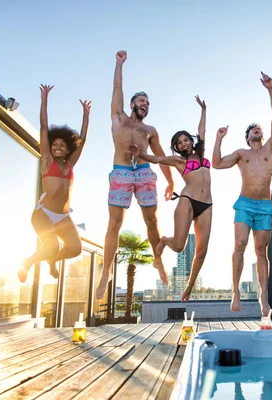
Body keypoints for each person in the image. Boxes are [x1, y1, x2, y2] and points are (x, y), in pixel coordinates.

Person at [96, 50, 174, 300]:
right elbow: (117, 87)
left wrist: (171, 181)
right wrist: (118, 64)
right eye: (142, 101)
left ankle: (158, 261)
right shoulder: (118, 118)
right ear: (132, 104)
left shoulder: (150, 130)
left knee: (152, 222)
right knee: (114, 224)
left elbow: (161, 156)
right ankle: (106, 272)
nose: (146, 105)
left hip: (143, 172)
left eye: (148, 103)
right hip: (121, 172)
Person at [212, 72, 272, 317]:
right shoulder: (241, 153)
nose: (257, 130)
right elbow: (217, 163)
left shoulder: (271, 147)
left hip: (264, 205)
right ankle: (235, 290)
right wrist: (218, 139)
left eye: (259, 128)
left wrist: (271, 90)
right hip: (244, 204)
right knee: (239, 245)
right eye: (252, 128)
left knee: (261, 252)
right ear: (247, 136)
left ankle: (263, 296)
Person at [129, 96, 211, 302]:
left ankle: (189, 288)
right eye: (179, 143)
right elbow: (157, 159)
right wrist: (141, 154)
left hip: (207, 205)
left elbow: (202, 131)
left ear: (191, 141)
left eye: (186, 140)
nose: (184, 144)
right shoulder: (178, 160)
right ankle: (164, 240)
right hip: (187, 200)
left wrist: (203, 110)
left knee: (201, 252)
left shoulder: (201, 154)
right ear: (177, 147)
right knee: (180, 246)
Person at [18, 84, 91, 283]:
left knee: (75, 249)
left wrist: (86, 115)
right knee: (51, 246)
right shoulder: (47, 161)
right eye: (54, 144)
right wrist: (44, 100)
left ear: (68, 149)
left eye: (62, 145)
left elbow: (82, 140)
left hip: (62, 216)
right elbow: (43, 127)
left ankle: (52, 261)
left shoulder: (70, 164)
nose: (57, 147)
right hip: (43, 214)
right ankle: (28, 263)